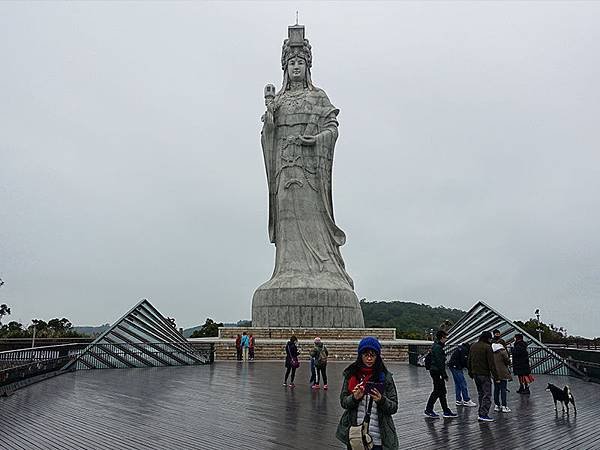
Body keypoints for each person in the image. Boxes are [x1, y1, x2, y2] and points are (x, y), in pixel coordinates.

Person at [336, 336, 399, 450]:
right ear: (360, 356)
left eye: (372, 355)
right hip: (356, 435)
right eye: (366, 355)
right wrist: (354, 398)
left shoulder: (385, 377)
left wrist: (381, 400)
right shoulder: (351, 375)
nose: (369, 358)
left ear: (377, 357)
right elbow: (344, 402)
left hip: (379, 437)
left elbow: (394, 407)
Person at [424, 330, 458, 418]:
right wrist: (444, 375)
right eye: (446, 337)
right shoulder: (438, 347)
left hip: (435, 371)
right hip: (437, 372)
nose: (446, 339)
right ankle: (429, 409)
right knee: (437, 391)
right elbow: (440, 362)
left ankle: (446, 410)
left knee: (442, 391)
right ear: (442, 338)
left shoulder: (435, 346)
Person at [468, 331, 499, 422]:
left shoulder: (473, 346)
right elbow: (491, 364)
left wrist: (470, 372)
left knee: (481, 393)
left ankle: (480, 413)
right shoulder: (487, 347)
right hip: (484, 374)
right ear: (487, 338)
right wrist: (496, 377)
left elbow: (469, 360)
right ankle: (483, 414)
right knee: (487, 394)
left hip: (475, 374)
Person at [447, 343, 476, 407]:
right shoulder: (464, 350)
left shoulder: (461, 348)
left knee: (458, 384)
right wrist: (470, 369)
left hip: (453, 366)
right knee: (463, 383)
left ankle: (458, 400)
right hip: (456, 367)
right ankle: (466, 400)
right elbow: (464, 361)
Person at [492, 342, 512, 413]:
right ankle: (504, 406)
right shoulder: (502, 351)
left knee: (496, 389)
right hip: (503, 372)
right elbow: (507, 361)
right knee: (503, 389)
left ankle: (497, 405)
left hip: (494, 373)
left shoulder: (491, 351)